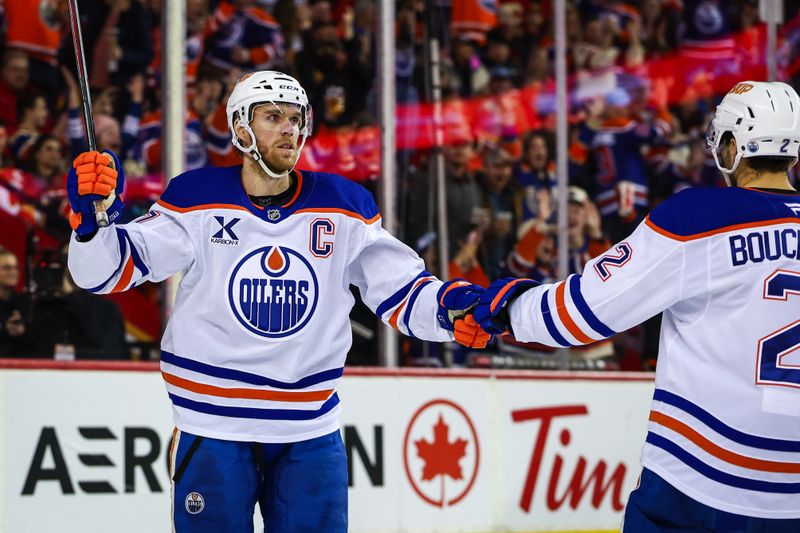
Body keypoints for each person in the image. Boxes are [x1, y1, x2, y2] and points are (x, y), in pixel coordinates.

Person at [66, 70, 489, 532]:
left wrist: (452, 309)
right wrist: (92, 224)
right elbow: (104, 273)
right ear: (240, 129)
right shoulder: (196, 199)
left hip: (308, 431)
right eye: (272, 117)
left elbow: (404, 293)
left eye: (295, 118)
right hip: (213, 427)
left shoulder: (344, 207)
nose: (289, 129)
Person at [474, 80, 800, 530]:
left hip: (700, 485)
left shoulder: (696, 217)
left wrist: (506, 308)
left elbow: (582, 313)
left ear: (730, 146)